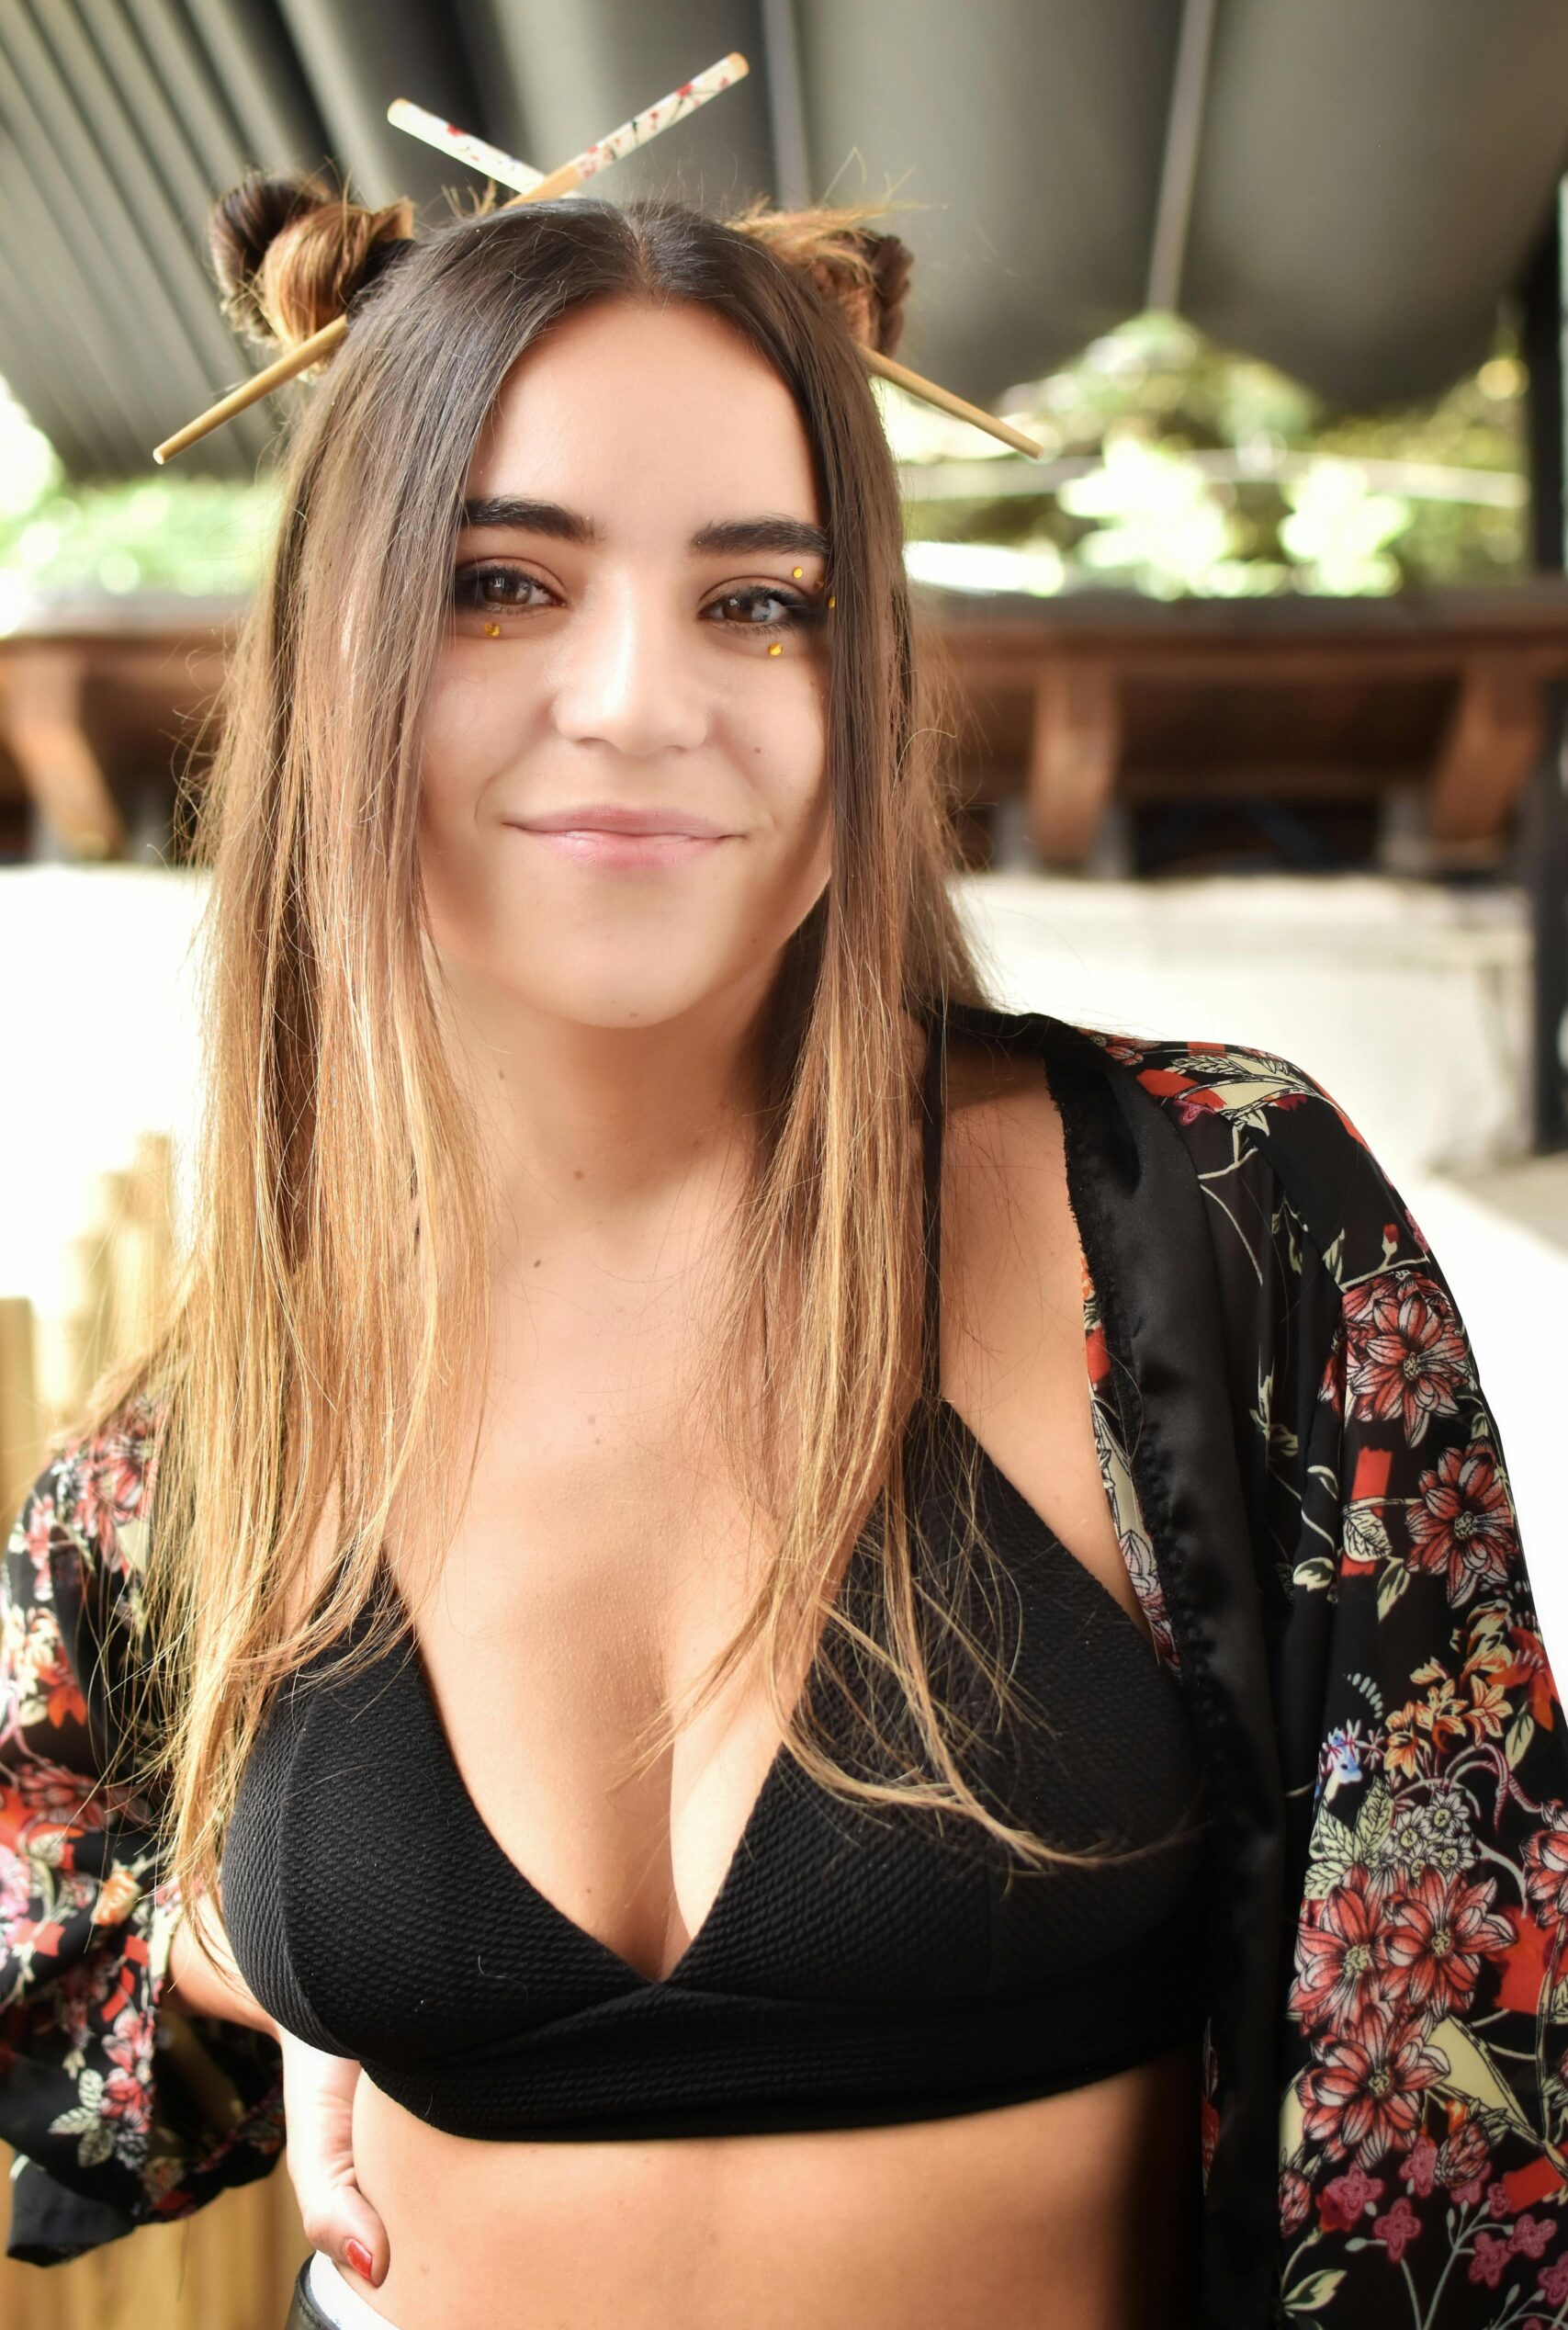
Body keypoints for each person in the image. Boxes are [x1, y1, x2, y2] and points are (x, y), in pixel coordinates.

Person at [2, 175, 1565, 2330]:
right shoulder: (234, 1408)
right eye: (498, 582)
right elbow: (43, 1933)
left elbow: (1460, 2088)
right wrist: (246, 1940)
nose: (638, 698)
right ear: (336, 656)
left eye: (756, 599)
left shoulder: (1216, 1218)